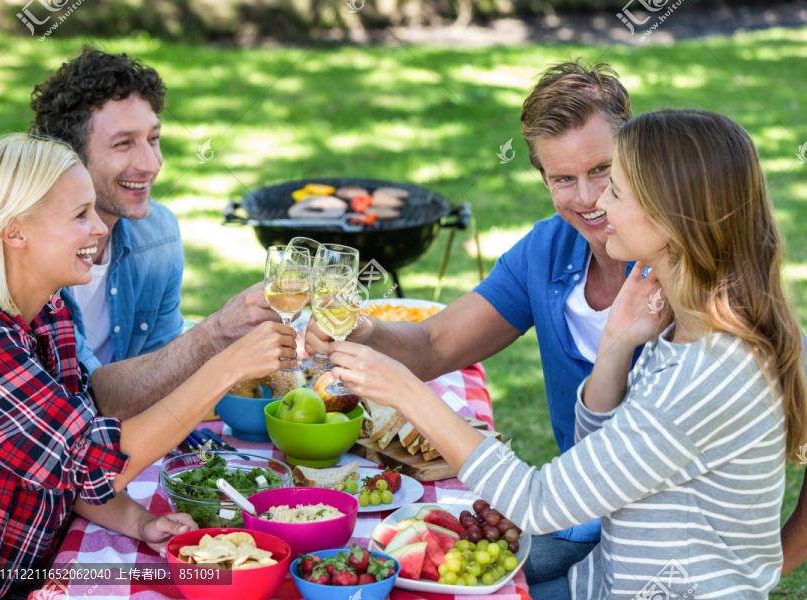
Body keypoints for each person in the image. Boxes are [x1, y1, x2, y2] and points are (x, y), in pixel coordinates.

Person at [327, 109, 807, 598]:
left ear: (671, 215)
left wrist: (408, 394)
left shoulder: (709, 372)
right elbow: (596, 446)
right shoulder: (682, 329)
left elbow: (537, 503)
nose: (599, 204)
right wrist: (616, 346)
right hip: (600, 580)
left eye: (614, 188)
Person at [0, 134, 298, 599]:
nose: (99, 228)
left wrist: (139, 521)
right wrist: (226, 368)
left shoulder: (49, 311)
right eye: (79, 215)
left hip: (26, 572)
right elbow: (99, 463)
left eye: (94, 210)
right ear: (15, 233)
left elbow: (68, 462)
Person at [308, 59, 633, 581]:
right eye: (563, 179)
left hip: (646, 532)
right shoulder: (548, 250)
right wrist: (362, 332)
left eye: (603, 171)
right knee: (397, 559)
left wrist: (779, 555)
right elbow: (436, 345)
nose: (588, 197)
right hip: (575, 514)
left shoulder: (681, 265)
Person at [30, 46, 278, 419]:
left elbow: (165, 373)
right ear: (69, 155)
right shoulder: (19, 254)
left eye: (153, 139)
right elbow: (88, 401)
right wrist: (216, 332)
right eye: (123, 143)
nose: (150, 164)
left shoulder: (157, 233)